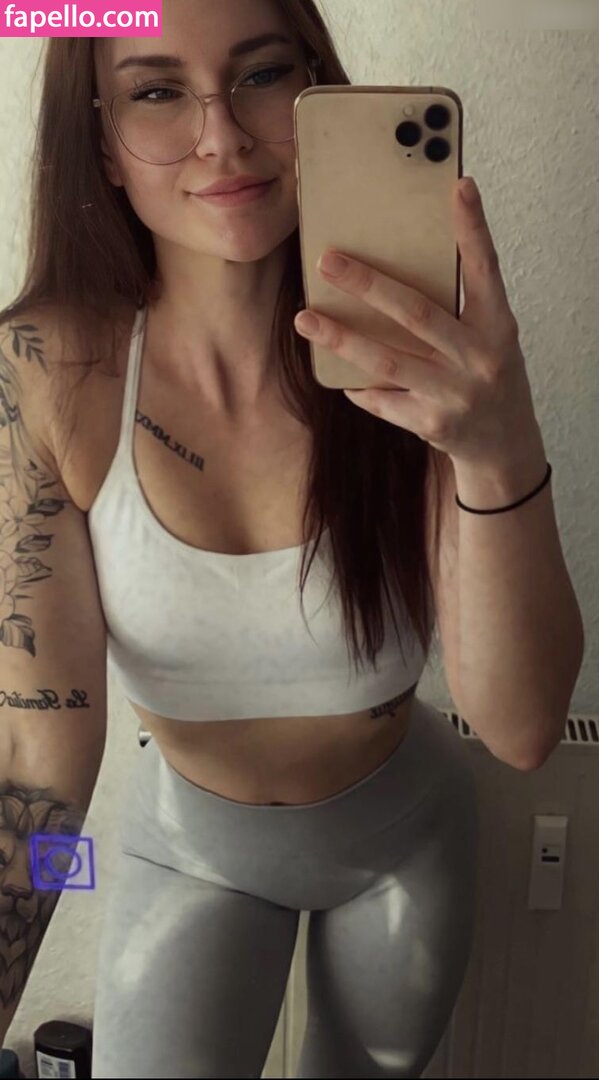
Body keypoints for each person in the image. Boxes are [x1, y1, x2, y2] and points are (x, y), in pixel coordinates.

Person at [0, 2, 480, 1076]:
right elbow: (37, 758)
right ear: (101, 139)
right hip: (187, 849)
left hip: (408, 838)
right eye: (157, 91)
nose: (220, 136)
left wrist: (496, 437)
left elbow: (520, 719)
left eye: (261, 76)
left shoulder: (418, 346)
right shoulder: (48, 369)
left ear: (315, 90)